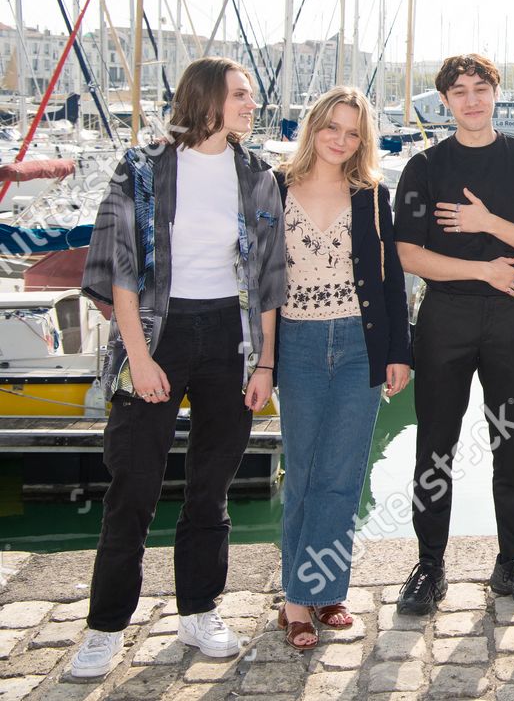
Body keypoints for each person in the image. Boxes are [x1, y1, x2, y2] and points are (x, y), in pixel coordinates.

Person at [70, 58, 286, 678]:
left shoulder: (257, 176)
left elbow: (269, 280)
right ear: (208, 99)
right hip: (156, 335)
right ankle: (107, 626)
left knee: (210, 487)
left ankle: (198, 609)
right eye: (241, 94)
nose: (251, 103)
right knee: (132, 487)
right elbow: (119, 269)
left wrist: (264, 362)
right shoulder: (142, 169)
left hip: (229, 337)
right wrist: (138, 358)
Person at [393, 55, 514, 614]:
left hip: (513, 319)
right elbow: (408, 254)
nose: (471, 100)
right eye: (459, 91)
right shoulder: (424, 168)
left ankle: (512, 560)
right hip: (446, 319)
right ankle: (429, 565)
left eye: (480, 89)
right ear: (444, 101)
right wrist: (483, 268)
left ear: (497, 93)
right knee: (434, 447)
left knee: (510, 446)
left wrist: (489, 224)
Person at [273, 88, 411, 649]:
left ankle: (325, 589)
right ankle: (295, 599)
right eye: (332, 127)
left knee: (343, 473)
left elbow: (391, 278)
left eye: (353, 133)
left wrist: (398, 351)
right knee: (303, 472)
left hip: (360, 342)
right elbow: (255, 272)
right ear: (313, 126)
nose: (341, 140)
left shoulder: (372, 195)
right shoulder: (273, 185)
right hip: (296, 342)